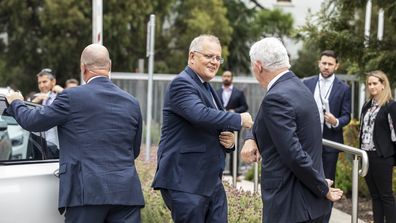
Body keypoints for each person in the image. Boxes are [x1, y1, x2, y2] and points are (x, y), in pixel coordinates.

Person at [5, 43, 145, 223]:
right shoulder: (131, 102)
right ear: (109, 65)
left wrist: (16, 103)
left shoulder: (71, 97)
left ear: (83, 68)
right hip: (126, 194)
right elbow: (134, 150)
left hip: (86, 194)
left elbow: (34, 121)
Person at [151, 34, 253, 223]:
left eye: (217, 58)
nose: (214, 62)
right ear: (192, 56)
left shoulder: (206, 87)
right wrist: (238, 119)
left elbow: (214, 124)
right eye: (208, 56)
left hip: (210, 183)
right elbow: (199, 115)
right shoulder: (181, 84)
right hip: (186, 182)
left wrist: (229, 142)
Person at [241, 37, 343, 223]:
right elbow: (265, 118)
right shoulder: (298, 86)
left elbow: (294, 154)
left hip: (290, 207)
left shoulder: (277, 96)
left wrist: (322, 187)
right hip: (308, 205)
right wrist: (251, 137)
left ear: (258, 66)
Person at [303, 50, 351, 222]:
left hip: (331, 143)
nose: (326, 66)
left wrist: (336, 120)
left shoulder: (344, 88)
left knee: (327, 182)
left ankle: (323, 219)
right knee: (307, 179)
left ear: (336, 66)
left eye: (330, 64)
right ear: (319, 63)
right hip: (308, 143)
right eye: (324, 63)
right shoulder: (307, 83)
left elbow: (347, 115)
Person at [359, 70, 396, 223]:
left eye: (375, 83)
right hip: (367, 156)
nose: (372, 86)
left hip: (382, 157)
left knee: (386, 196)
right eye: (369, 84)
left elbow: (395, 134)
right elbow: (361, 131)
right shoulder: (366, 106)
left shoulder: (390, 106)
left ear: (383, 85)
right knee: (374, 196)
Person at [216, 70, 248, 178]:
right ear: (222, 78)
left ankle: (234, 173)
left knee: (234, 147)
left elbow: (245, 107)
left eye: (228, 76)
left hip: (234, 124)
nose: (226, 78)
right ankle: (218, 173)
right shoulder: (216, 92)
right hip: (220, 124)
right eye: (225, 76)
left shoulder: (239, 93)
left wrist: (235, 111)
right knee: (217, 146)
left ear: (232, 78)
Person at [31, 68, 63, 148]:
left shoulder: (62, 96)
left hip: (58, 145)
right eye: (39, 83)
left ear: (53, 82)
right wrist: (35, 101)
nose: (41, 85)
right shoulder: (35, 98)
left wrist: (63, 91)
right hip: (39, 145)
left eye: (44, 82)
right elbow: (27, 116)